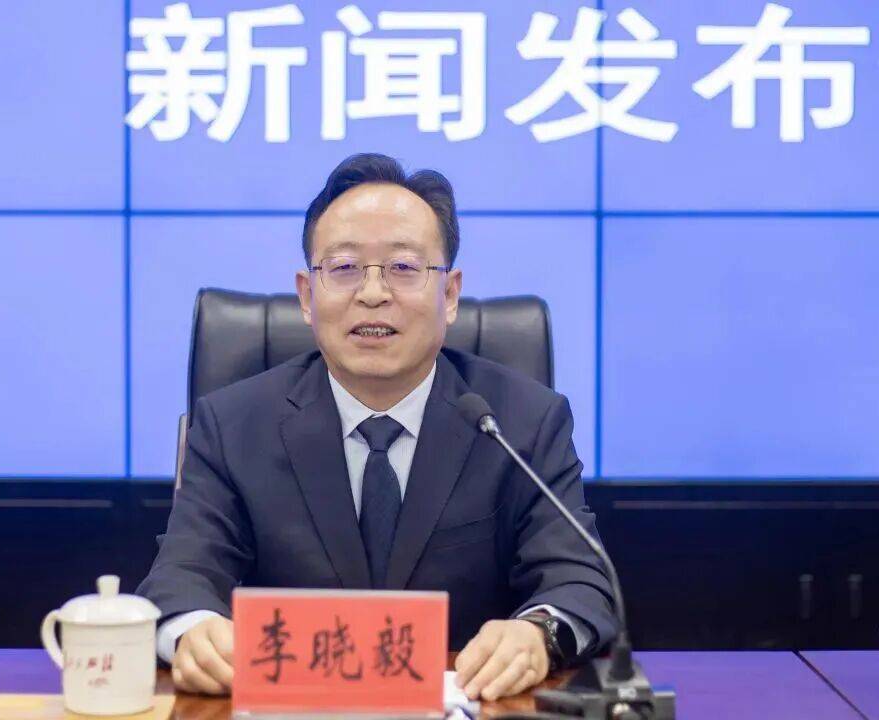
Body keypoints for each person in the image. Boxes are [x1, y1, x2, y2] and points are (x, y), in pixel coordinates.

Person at [137, 153, 617, 701]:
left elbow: (579, 582)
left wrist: (537, 635)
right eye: (343, 267)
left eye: (404, 268)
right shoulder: (232, 424)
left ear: (450, 295)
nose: (372, 293)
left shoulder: (522, 421)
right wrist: (194, 632)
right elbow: (179, 578)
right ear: (306, 296)